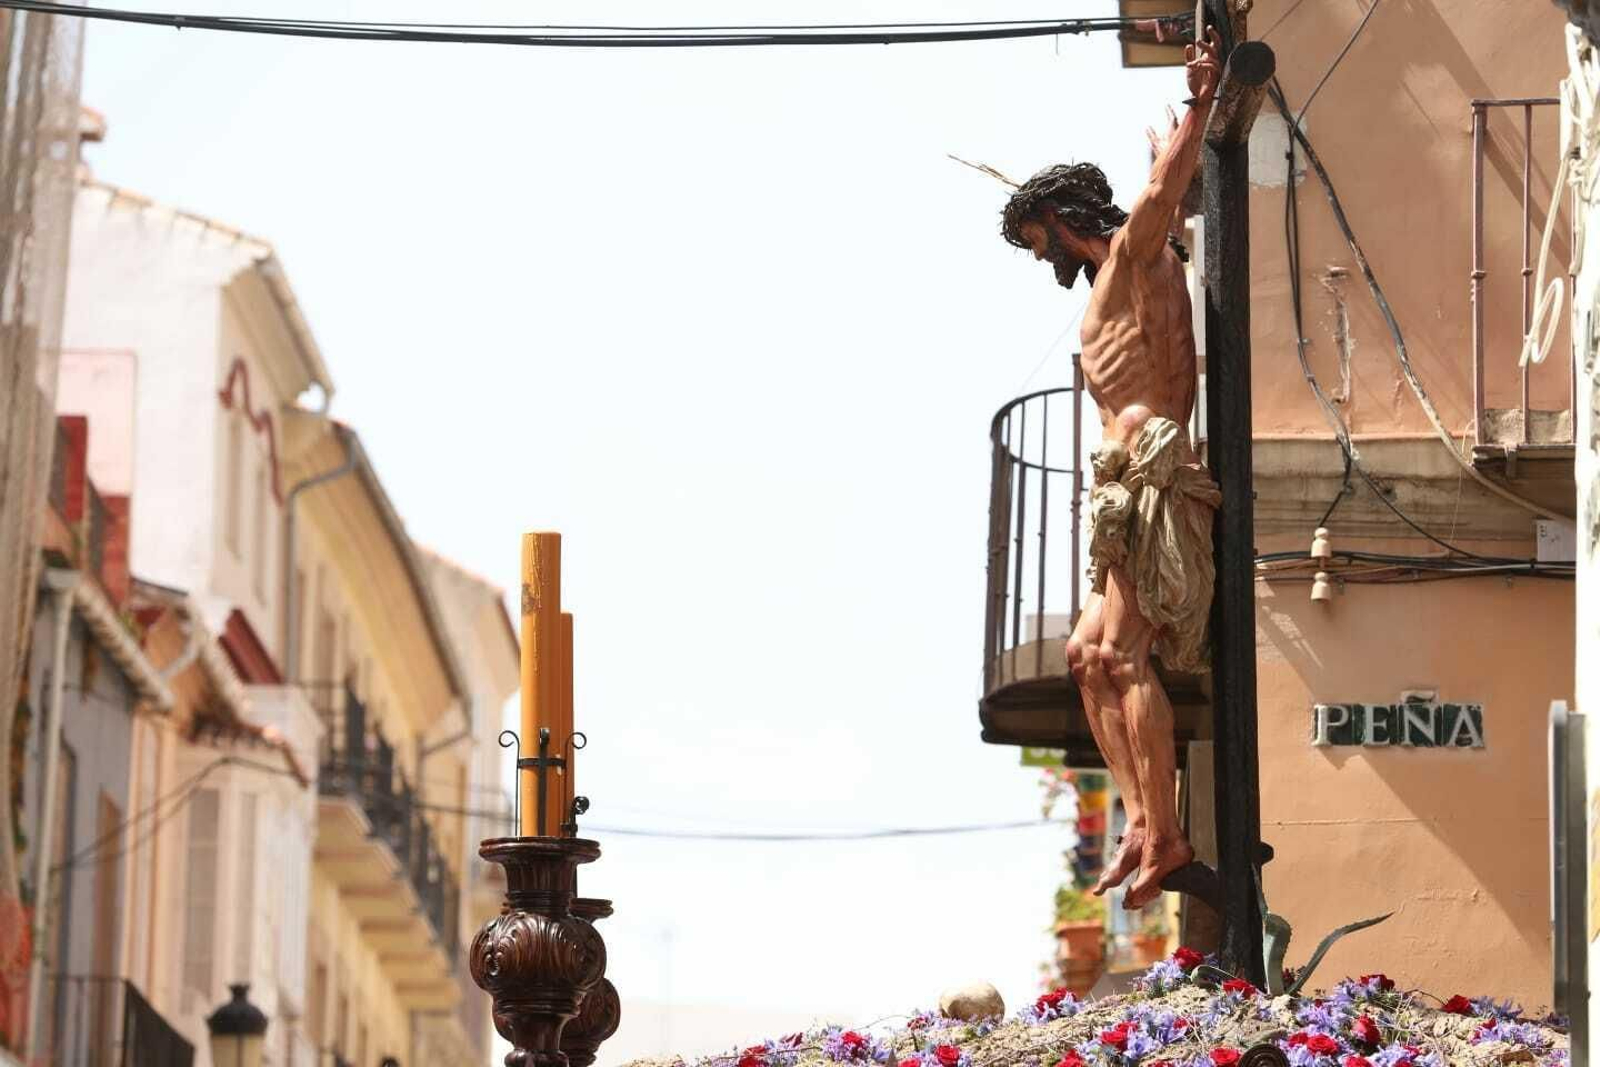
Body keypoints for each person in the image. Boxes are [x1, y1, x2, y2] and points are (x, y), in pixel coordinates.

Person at [999, 28, 1222, 910]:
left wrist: (1201, 105)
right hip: (1124, 490)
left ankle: (1166, 833)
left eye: (1036, 239)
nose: (1039, 257)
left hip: (1156, 478)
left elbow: (1164, 190)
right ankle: (1140, 819)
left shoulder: (1133, 254)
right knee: (1086, 651)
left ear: (1062, 220)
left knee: (1125, 655)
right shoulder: (1111, 282)